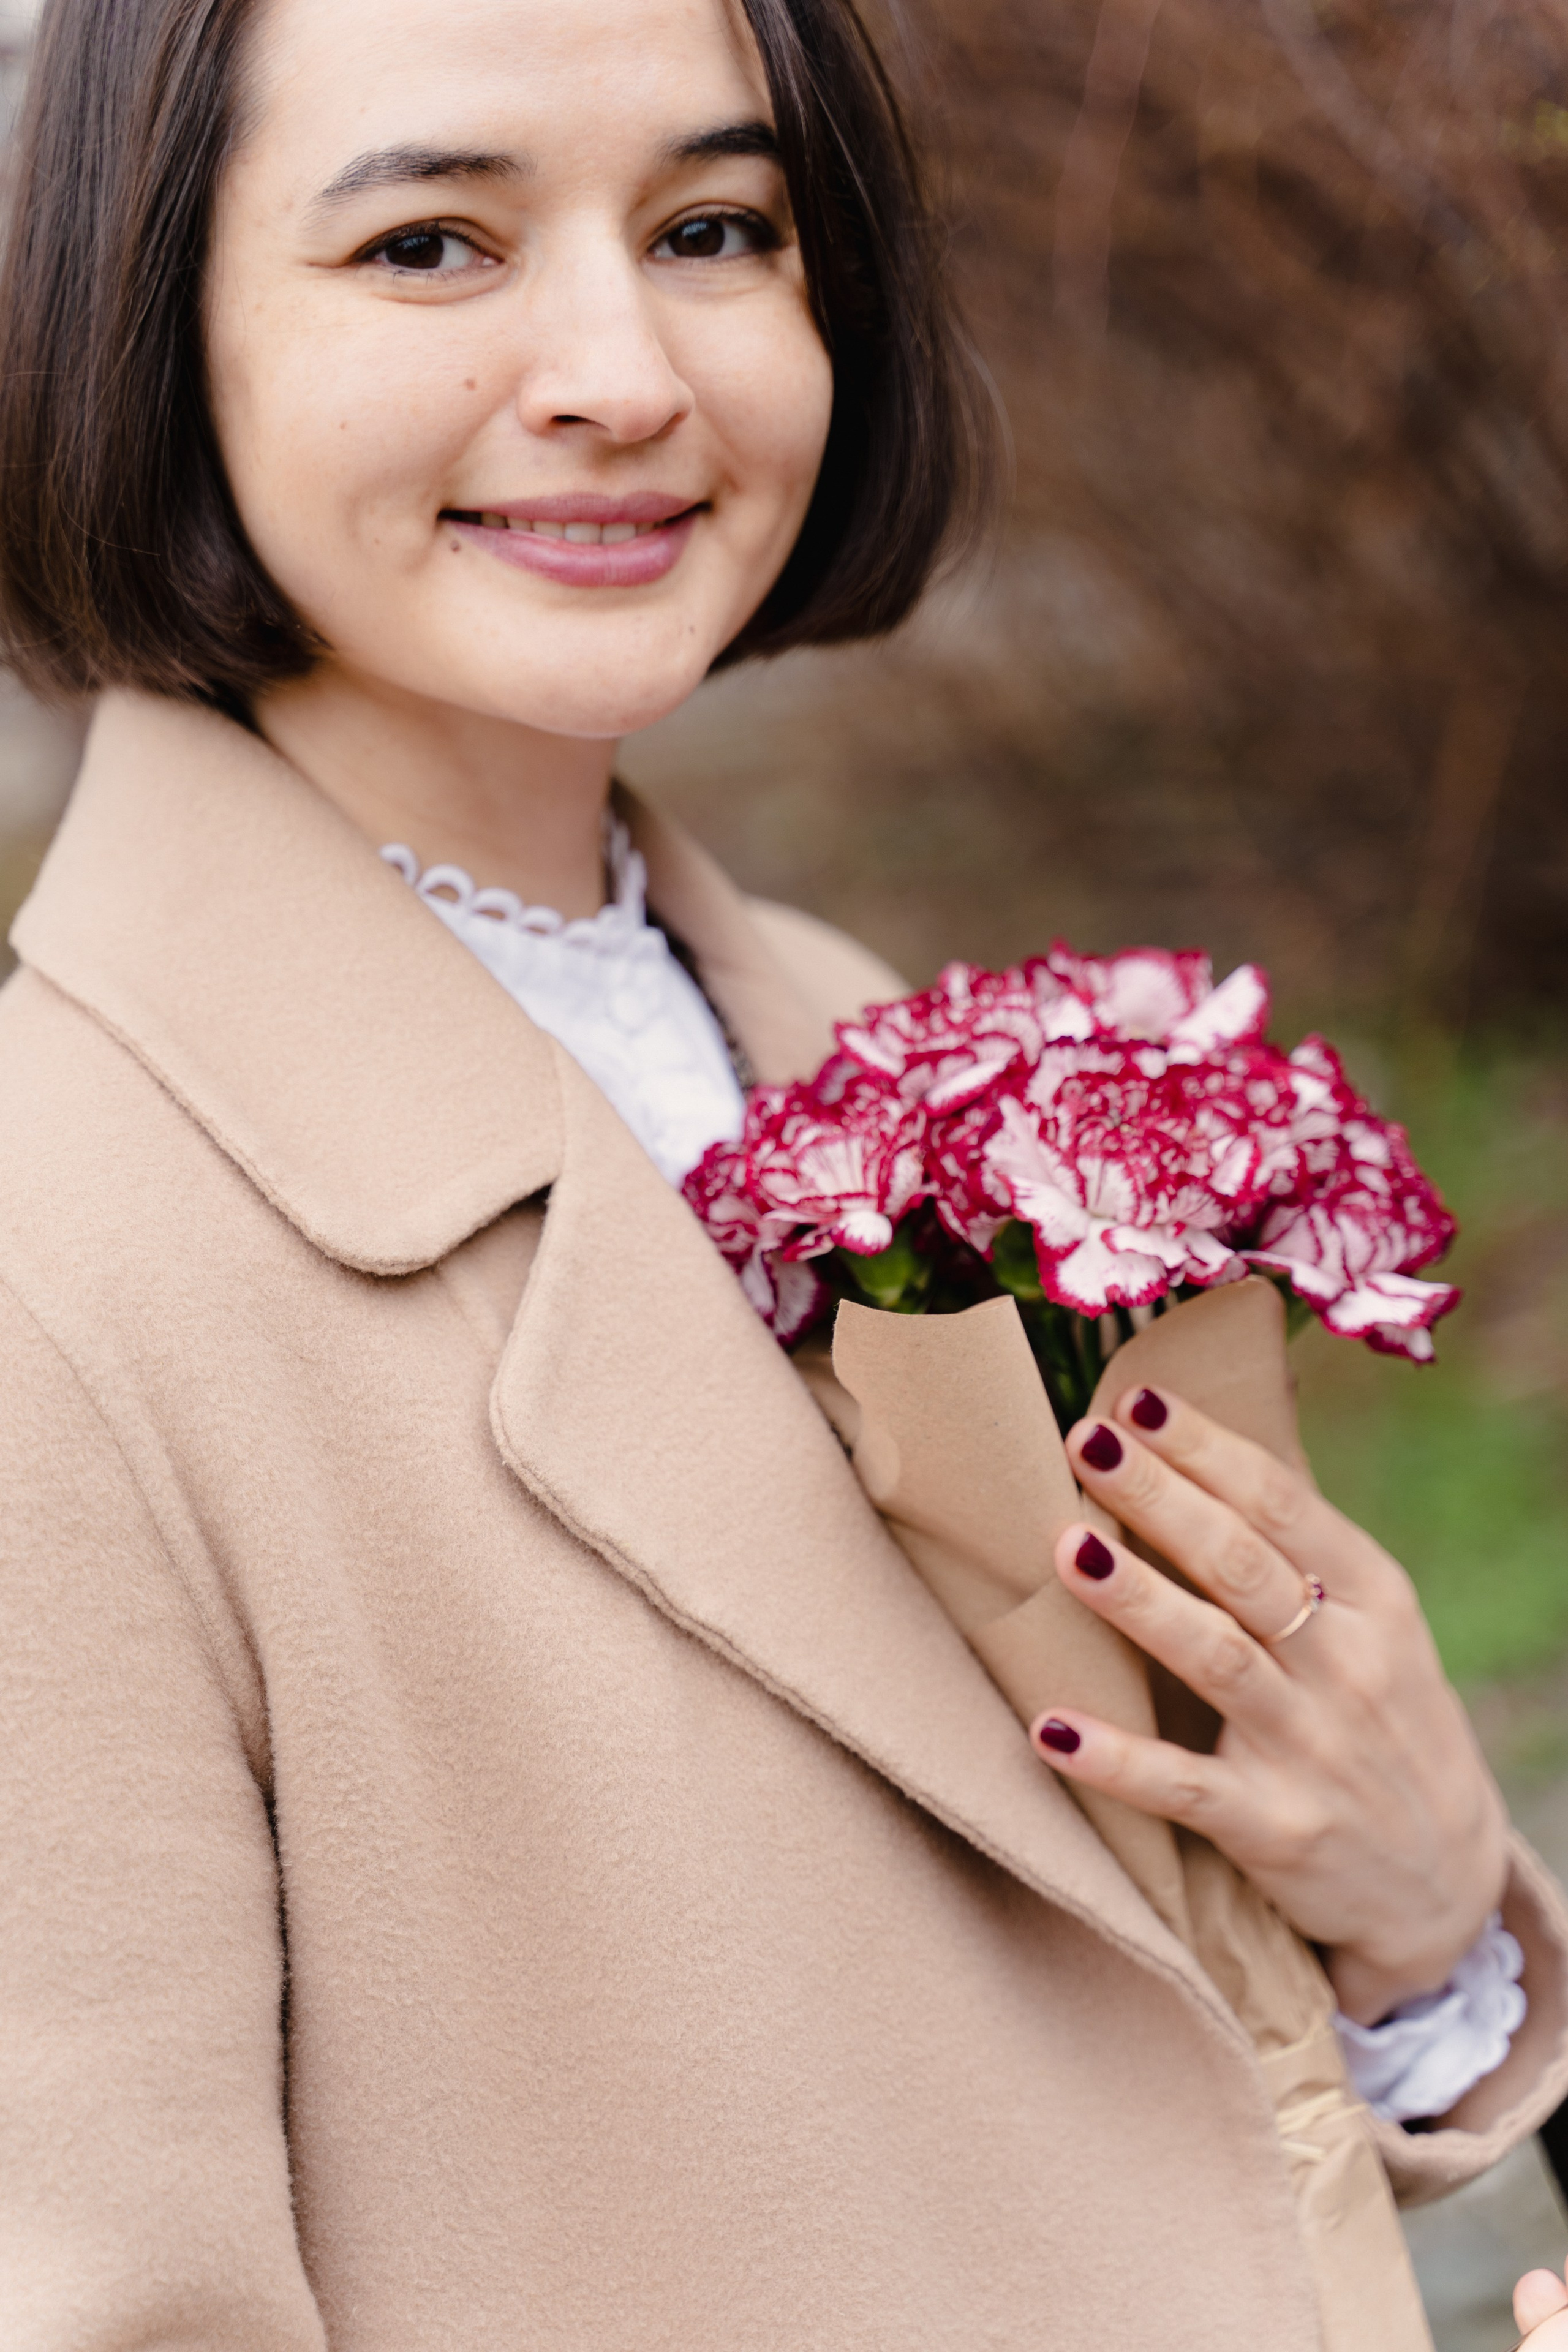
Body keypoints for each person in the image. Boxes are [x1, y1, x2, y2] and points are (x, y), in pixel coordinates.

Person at [0, 0, 1564, 2344]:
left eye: (717, 227)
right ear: (149, 338)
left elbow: (1092, 2039)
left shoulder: (841, 1027)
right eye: (433, 243)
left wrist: (1417, 1924)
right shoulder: (65, 1261)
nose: (626, 369)